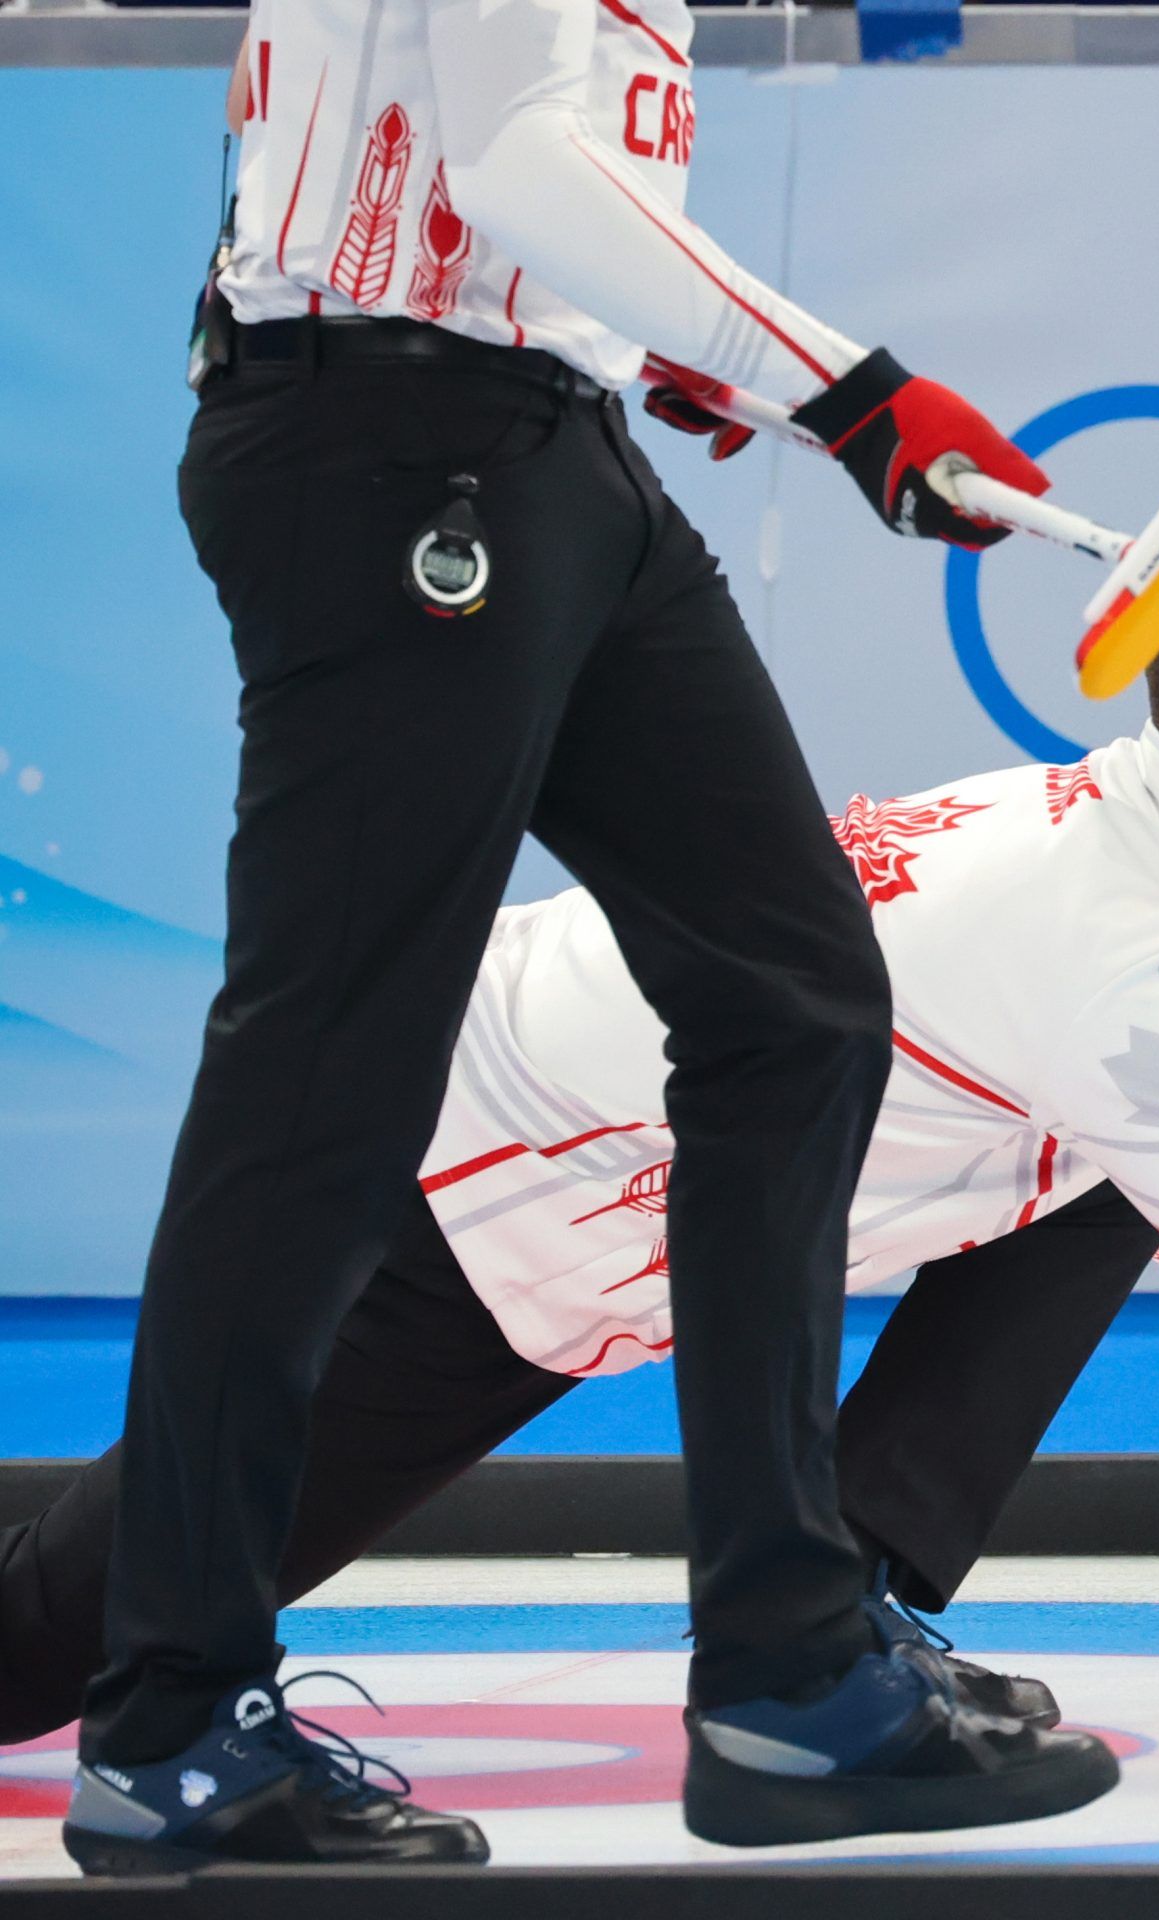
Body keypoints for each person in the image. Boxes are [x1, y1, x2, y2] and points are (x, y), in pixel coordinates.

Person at [10, 531, 1159, 1761]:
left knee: (1122, 1183)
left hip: (566, 1153)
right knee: (69, 1633)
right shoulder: (1122, 964)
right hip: (470, 1191)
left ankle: (858, 1600)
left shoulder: (1129, 869)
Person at [71, 0, 1079, 1874]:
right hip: (397, 450)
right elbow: (520, 157)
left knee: (794, 1001)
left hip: (538, 435)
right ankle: (172, 1729)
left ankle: (788, 1675)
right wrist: (847, 394)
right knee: (325, 1084)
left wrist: (628, 326)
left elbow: (444, 134)